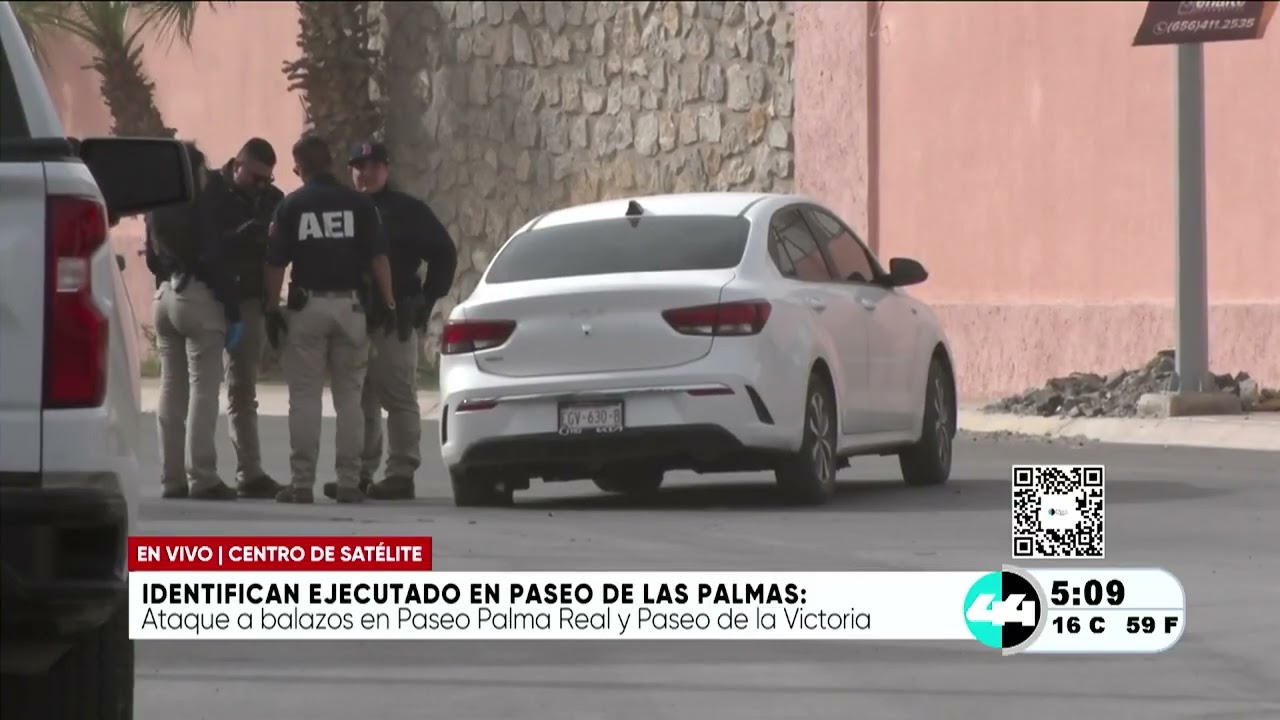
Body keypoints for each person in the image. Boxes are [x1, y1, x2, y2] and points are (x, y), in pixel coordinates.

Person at [262, 135, 397, 504]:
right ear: (332, 162)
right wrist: (388, 302)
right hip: (351, 309)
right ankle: (350, 481)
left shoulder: (292, 206)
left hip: (307, 308)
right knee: (350, 399)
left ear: (299, 169)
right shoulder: (359, 205)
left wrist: (271, 308)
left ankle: (301, 483)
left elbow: (275, 264)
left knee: (304, 398)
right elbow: (379, 258)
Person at [322, 141, 457, 502]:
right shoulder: (343, 209)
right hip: (351, 316)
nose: (365, 173)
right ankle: (358, 474)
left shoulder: (408, 210)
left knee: (398, 397)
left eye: (373, 166)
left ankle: (400, 473)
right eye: (358, 166)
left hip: (393, 319)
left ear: (387, 169)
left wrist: (426, 301)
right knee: (359, 399)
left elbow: (444, 254)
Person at [145, 142, 244, 501]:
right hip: (198, 296)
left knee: (170, 388)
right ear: (194, 172)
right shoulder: (199, 205)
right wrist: (233, 312)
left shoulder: (156, 208)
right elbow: (215, 260)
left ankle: (170, 478)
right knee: (203, 389)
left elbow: (151, 260)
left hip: (164, 296)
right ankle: (202, 475)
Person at [204, 138, 286, 498]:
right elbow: (201, 242)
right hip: (210, 297)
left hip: (249, 300)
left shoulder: (272, 199)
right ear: (237, 165)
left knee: (242, 389)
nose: (261, 186)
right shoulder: (210, 191)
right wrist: (237, 238)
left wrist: (272, 305)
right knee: (201, 390)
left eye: (267, 179)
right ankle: (197, 474)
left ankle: (249, 472)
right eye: (255, 178)